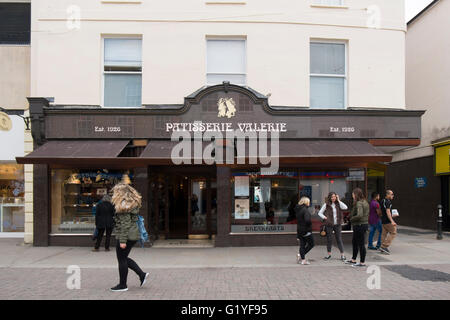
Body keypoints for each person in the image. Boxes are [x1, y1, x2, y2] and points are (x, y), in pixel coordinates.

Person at [110, 183, 149, 292]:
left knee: (122, 260)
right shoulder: (132, 203)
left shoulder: (123, 205)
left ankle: (123, 285)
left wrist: (122, 240)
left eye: (115, 192)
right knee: (124, 258)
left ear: (120, 193)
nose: (114, 194)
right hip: (133, 234)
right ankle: (142, 275)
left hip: (126, 235)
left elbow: (125, 224)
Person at [318, 192, 347, 261]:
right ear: (329, 198)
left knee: (339, 239)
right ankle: (329, 254)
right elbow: (319, 213)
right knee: (329, 240)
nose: (333, 198)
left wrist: (339, 200)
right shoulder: (326, 205)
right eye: (332, 197)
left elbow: (345, 207)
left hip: (337, 224)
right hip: (329, 224)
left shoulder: (338, 204)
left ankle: (342, 255)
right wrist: (325, 218)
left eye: (334, 196)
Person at [345, 188, 370, 267]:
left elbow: (359, 215)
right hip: (362, 224)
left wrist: (351, 219)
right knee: (355, 242)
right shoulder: (365, 202)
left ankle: (362, 262)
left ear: (356, 194)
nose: (352, 196)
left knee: (361, 244)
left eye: (353, 194)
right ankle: (353, 259)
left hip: (359, 225)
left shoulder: (359, 203)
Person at [295, 197, 314, 265]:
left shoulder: (298, 209)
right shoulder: (305, 210)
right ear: (306, 202)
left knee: (302, 245)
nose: (309, 203)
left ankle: (302, 259)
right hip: (306, 230)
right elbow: (307, 220)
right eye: (308, 201)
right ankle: (300, 256)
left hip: (300, 230)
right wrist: (309, 226)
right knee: (311, 244)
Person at [379, 190, 396, 255]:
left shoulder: (382, 201)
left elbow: (381, 211)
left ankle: (382, 248)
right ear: (387, 195)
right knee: (393, 232)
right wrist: (392, 221)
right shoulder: (387, 202)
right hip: (388, 221)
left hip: (383, 220)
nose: (393, 196)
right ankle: (384, 246)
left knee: (384, 234)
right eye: (392, 194)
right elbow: (388, 212)